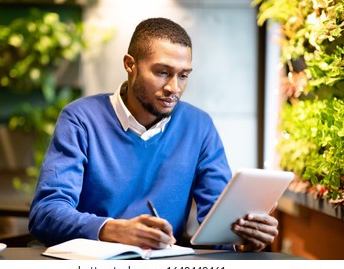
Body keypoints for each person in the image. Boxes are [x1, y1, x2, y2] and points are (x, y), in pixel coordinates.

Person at [28, 17, 279, 252]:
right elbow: (46, 213)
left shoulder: (199, 126)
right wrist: (115, 230)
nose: (174, 88)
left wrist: (240, 239)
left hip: (163, 266)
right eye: (162, 72)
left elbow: (217, 220)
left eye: (183, 75)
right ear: (130, 65)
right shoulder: (80, 119)